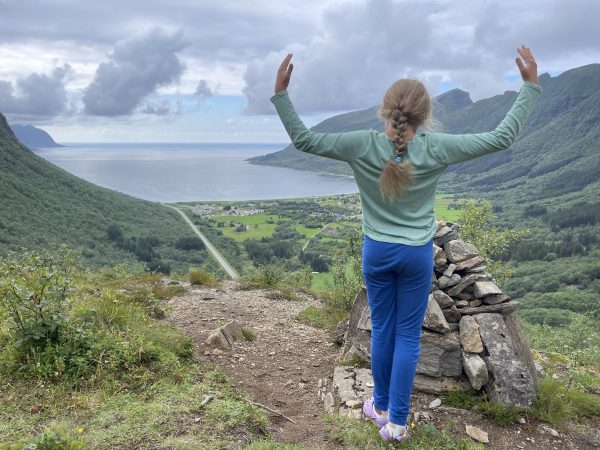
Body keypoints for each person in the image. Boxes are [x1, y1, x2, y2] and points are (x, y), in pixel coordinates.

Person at [271, 46, 541, 442]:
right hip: (415, 255)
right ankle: (396, 422)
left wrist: (281, 95)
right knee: (407, 336)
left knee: (381, 330)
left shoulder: (361, 144)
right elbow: (502, 137)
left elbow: (303, 139)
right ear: (424, 115)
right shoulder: (436, 148)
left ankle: (379, 406)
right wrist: (530, 88)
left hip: (376, 252)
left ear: (385, 111)